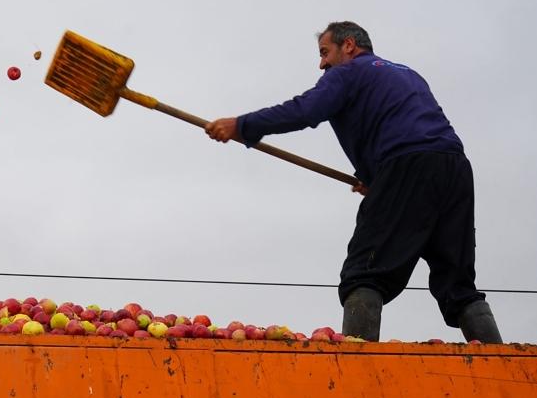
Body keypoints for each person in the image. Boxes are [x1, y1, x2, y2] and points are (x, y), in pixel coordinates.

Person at [205, 21, 502, 343]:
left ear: (348, 45)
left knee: (364, 273)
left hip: (407, 163)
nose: (322, 64)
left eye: (324, 52)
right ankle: (501, 363)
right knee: (457, 283)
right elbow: (403, 126)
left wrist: (242, 126)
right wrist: (376, 178)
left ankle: (358, 365)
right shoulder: (406, 74)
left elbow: (305, 110)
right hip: (453, 169)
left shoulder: (349, 72)